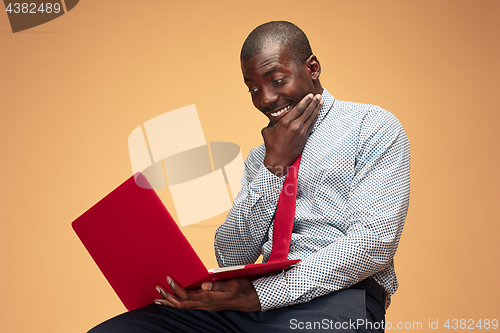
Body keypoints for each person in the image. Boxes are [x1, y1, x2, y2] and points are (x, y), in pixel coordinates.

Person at [89, 21, 410, 332]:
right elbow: (231, 255)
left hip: (336, 299)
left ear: (312, 68)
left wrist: (263, 294)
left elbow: (374, 243)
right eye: (253, 88)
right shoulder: (262, 156)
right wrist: (274, 166)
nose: (266, 99)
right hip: (248, 305)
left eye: (278, 80)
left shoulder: (372, 126)